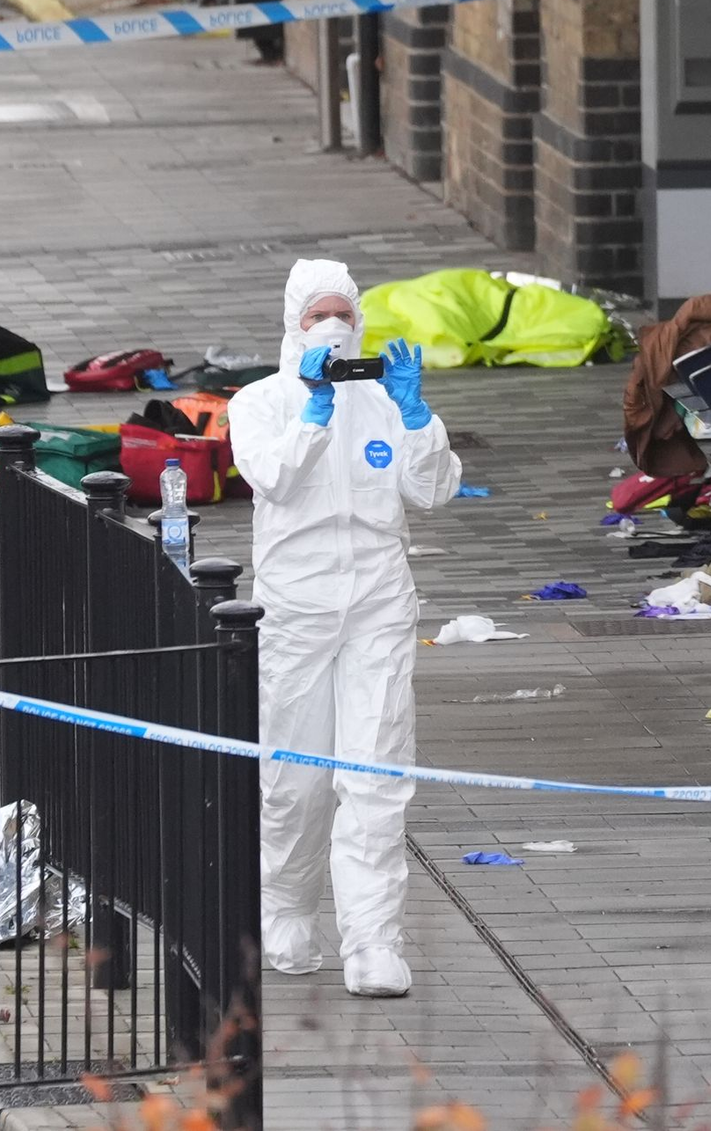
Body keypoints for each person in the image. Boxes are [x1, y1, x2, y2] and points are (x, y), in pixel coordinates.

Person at [228, 259, 461, 997]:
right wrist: (315, 412)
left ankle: (373, 939)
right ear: (292, 325)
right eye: (315, 315)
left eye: (342, 313)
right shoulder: (259, 402)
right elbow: (275, 478)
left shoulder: (386, 402)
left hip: (377, 602)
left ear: (359, 320)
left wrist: (418, 417)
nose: (332, 326)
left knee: (376, 768)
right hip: (295, 604)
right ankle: (286, 909)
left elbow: (432, 490)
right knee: (296, 774)